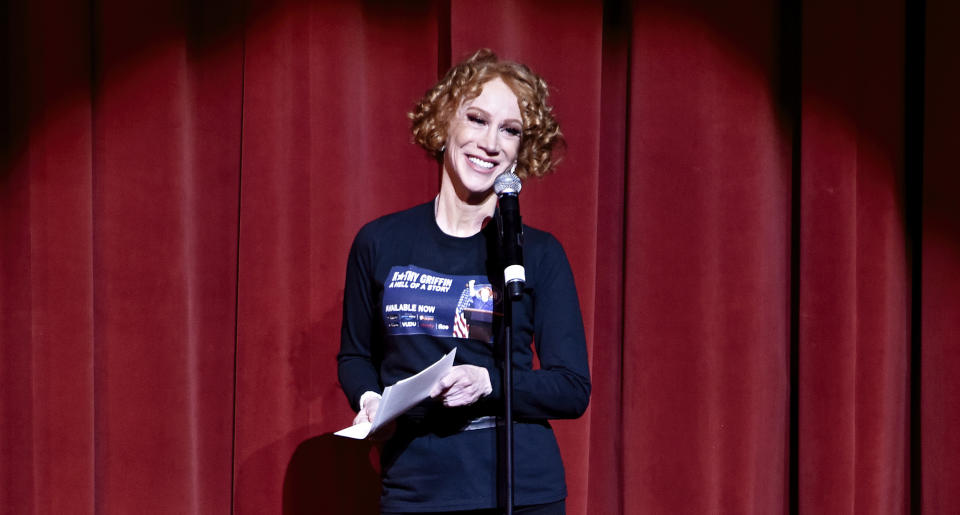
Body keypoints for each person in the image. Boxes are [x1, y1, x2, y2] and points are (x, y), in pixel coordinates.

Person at [337, 48, 591, 515]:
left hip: (521, 490)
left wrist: (489, 381)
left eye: (509, 130)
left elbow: (572, 388)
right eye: (476, 119)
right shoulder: (381, 241)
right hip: (417, 488)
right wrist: (371, 398)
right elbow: (355, 355)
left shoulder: (537, 253)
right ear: (444, 123)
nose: (490, 142)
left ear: (522, 150)